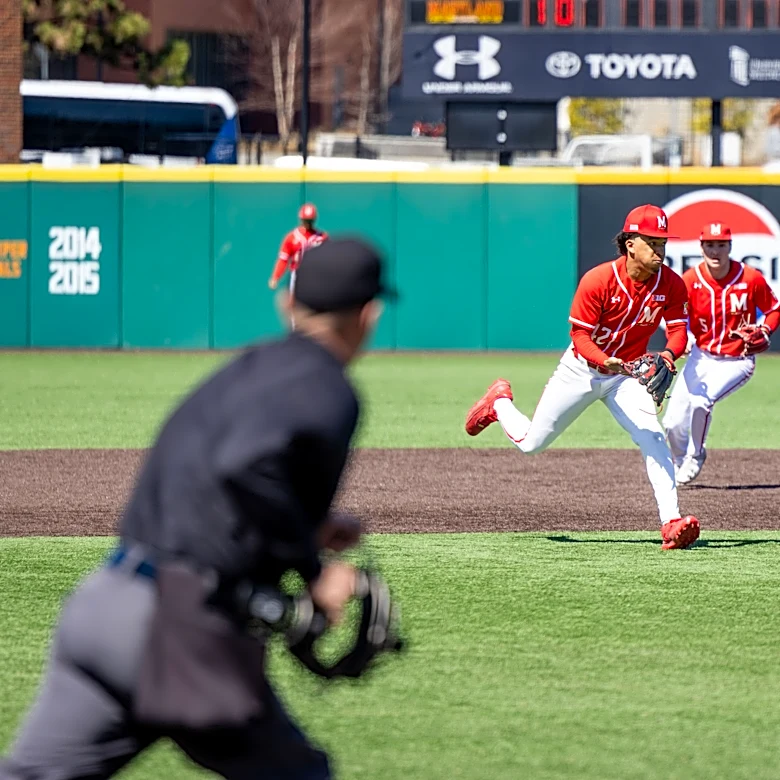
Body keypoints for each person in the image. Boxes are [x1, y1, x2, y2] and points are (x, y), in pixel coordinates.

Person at [0, 237, 394, 780]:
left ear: (289, 305)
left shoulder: (246, 368)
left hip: (101, 607)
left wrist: (309, 524)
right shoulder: (328, 386)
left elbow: (207, 469)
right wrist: (312, 568)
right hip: (177, 628)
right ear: (367, 316)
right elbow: (245, 467)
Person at [464, 204, 700, 551]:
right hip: (582, 371)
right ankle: (499, 402)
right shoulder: (599, 280)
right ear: (630, 243)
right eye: (652, 242)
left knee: (653, 437)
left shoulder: (672, 284)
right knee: (532, 444)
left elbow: (679, 332)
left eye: (663, 243)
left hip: (627, 377)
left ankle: (671, 522)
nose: (660, 251)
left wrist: (666, 355)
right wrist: (607, 361)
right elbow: (580, 338)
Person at [663, 221, 780, 485]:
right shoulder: (691, 280)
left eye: (721, 245)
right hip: (701, 356)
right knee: (671, 422)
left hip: (737, 360)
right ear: (701, 247)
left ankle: (696, 455)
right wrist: (684, 338)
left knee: (701, 402)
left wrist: (764, 330)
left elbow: (774, 308)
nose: (715, 251)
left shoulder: (750, 277)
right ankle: (680, 460)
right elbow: (676, 315)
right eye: (710, 245)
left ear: (730, 247)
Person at [269, 203, 329, 297]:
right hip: (297, 276)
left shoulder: (322, 237)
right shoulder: (292, 237)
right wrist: (275, 277)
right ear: (301, 219)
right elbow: (283, 259)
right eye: (306, 220)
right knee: (295, 305)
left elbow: (329, 260)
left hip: (316, 276)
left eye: (310, 220)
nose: (308, 223)